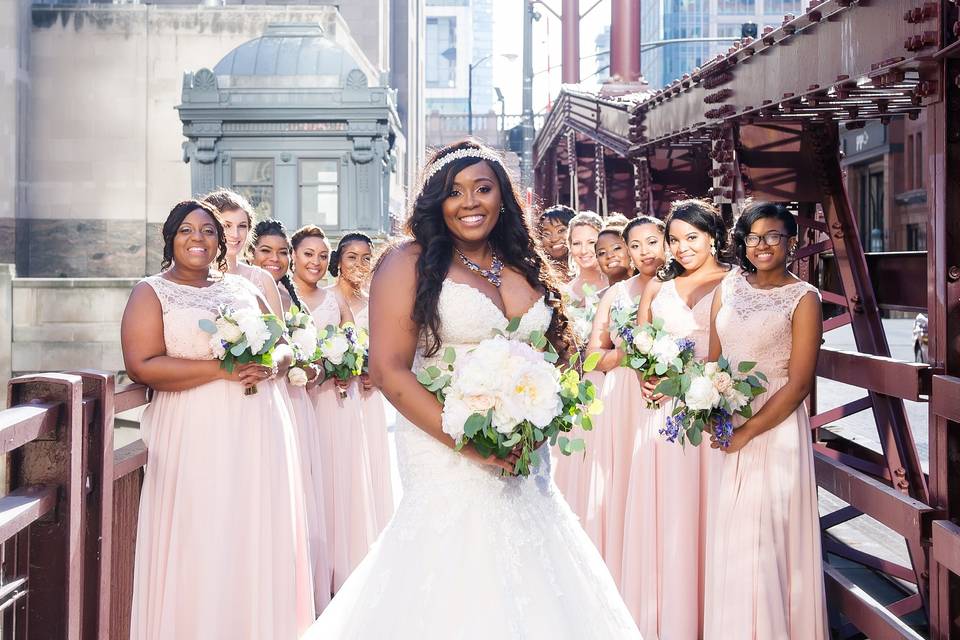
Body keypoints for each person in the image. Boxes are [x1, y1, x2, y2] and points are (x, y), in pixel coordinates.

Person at [304, 140, 641, 638]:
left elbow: (560, 354)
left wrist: (544, 412)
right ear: (436, 201)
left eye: (483, 188)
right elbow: (389, 369)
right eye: (454, 191)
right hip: (445, 446)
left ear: (502, 196)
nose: (470, 202)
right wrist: (468, 440)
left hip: (526, 454)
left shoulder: (523, 262)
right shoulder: (408, 262)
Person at [122, 200, 314, 639]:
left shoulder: (243, 289)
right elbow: (142, 366)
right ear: (171, 238)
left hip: (259, 429)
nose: (198, 238)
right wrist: (220, 370)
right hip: (194, 431)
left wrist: (275, 364)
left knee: (253, 534)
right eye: (187, 230)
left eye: (209, 231)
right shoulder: (151, 291)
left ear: (221, 241)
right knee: (201, 533)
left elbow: (283, 343)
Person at [703, 202, 827, 639]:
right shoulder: (729, 287)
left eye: (773, 236)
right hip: (730, 421)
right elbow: (713, 361)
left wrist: (748, 431)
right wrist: (705, 408)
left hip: (775, 427)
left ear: (791, 242)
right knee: (734, 534)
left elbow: (799, 384)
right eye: (753, 237)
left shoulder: (804, 298)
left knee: (766, 538)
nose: (762, 245)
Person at [627, 199, 731, 638]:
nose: (683, 247)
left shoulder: (735, 281)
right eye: (675, 239)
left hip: (713, 412)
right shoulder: (657, 288)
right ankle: (668, 621)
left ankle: (714, 617)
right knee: (669, 517)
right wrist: (643, 377)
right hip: (665, 418)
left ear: (712, 237)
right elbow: (640, 348)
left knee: (711, 518)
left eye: (692, 237)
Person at [250, 219, 333, 611]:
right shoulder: (245, 292)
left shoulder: (287, 296)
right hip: (268, 403)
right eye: (267, 250)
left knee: (302, 498)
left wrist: (312, 368)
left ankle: (298, 592)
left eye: (282, 251)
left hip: (298, 403)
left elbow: (305, 354)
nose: (276, 259)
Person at [584, 217, 666, 582]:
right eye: (634, 245)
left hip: (664, 397)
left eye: (652, 242)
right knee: (620, 482)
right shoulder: (616, 295)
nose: (643, 252)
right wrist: (626, 354)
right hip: (621, 399)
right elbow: (590, 356)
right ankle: (620, 572)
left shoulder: (680, 287)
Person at [329, 232, 396, 538]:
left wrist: (375, 373)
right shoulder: (326, 299)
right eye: (351, 257)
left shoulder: (376, 303)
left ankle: (366, 535)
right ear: (339, 261)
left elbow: (390, 350)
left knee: (368, 467)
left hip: (368, 396)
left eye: (366, 257)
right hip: (333, 394)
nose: (359, 263)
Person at [553, 210, 606, 515]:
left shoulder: (616, 288)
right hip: (576, 386)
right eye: (577, 243)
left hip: (607, 380)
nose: (584, 249)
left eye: (591, 241)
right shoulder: (562, 293)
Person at [201, 189, 284, 317]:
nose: (235, 234)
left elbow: (280, 335)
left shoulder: (264, 280)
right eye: (226, 225)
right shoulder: (191, 276)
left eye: (242, 226)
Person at [539, 204, 575, 280]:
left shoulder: (587, 272)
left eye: (561, 230)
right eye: (547, 234)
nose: (554, 239)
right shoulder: (537, 276)